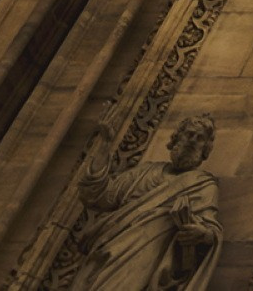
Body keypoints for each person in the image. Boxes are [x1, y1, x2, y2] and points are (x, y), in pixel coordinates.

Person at [73, 116, 221, 291]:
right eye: (189, 135)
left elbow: (210, 230)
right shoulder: (145, 171)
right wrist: (104, 146)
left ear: (205, 149)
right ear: (176, 138)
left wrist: (202, 234)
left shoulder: (203, 185)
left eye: (199, 138)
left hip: (143, 260)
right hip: (109, 245)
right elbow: (99, 196)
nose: (192, 142)